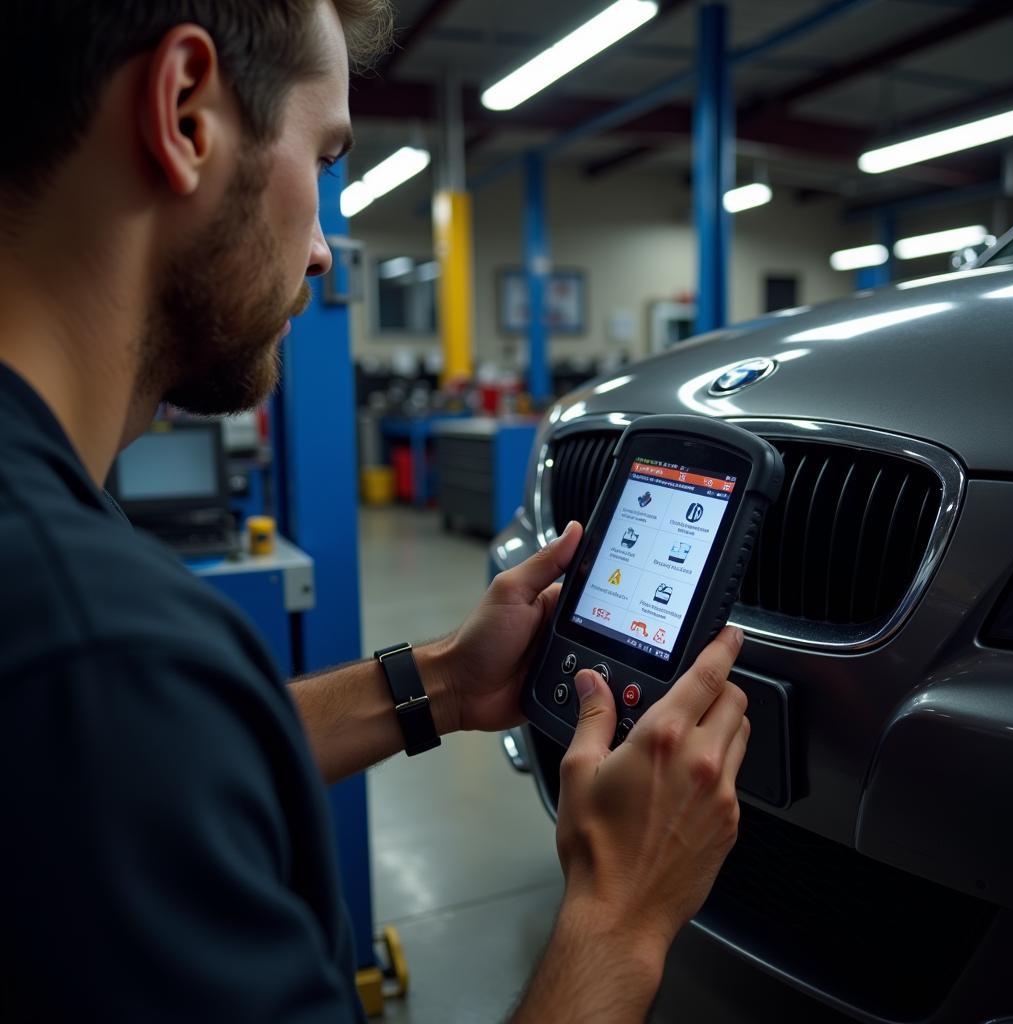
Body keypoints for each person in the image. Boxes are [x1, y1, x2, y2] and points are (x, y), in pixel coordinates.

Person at [0, 2, 750, 1021]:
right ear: (184, 115)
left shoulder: (96, 663)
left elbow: (184, 759)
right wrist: (618, 918)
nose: (321, 251)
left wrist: (440, 682)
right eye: (323, 157)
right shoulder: (101, 659)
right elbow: (136, 729)